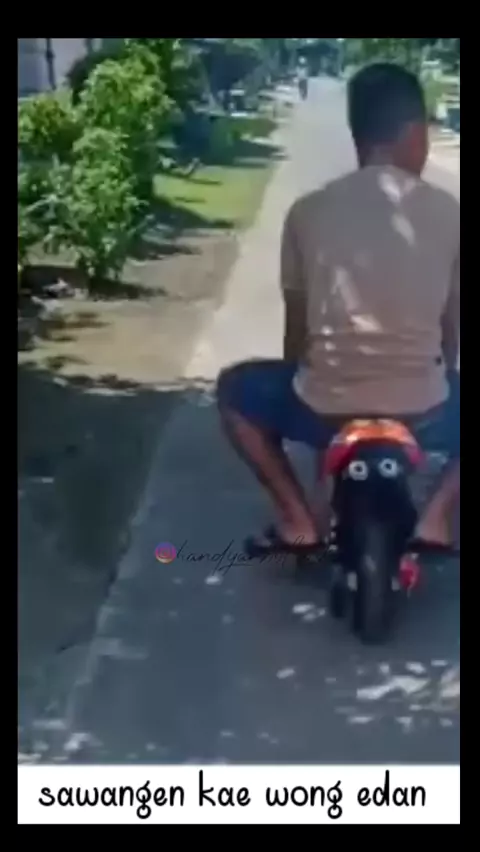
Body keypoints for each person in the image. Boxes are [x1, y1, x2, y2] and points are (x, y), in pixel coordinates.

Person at [217, 62, 460, 559]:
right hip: (423, 407)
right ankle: (436, 517)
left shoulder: (307, 211)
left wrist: (299, 380)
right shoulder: (451, 213)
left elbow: (298, 327)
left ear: (357, 135)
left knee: (233, 390)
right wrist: (441, 375)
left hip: (324, 404)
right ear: (416, 133)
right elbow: (451, 325)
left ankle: (297, 520)